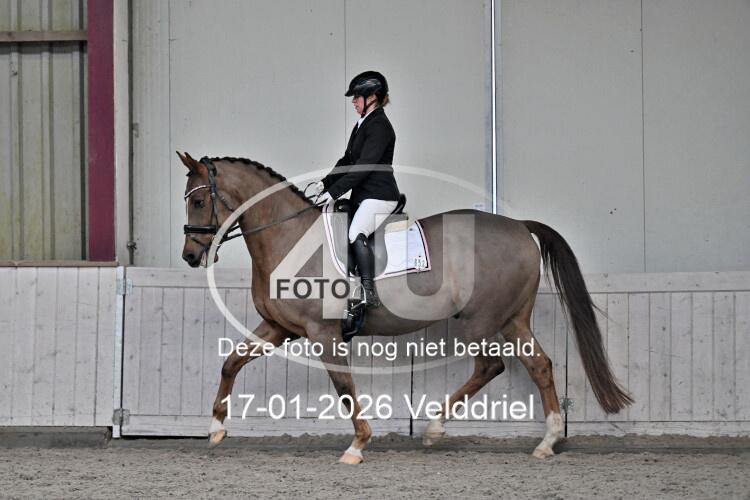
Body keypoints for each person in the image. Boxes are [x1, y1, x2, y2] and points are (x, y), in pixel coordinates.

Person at [312, 71, 401, 308]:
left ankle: (368, 291)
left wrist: (334, 192)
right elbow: (347, 160)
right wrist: (326, 183)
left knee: (355, 232)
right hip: (364, 196)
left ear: (372, 97)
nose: (353, 101)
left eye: (356, 97)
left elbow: (363, 167)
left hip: (380, 196)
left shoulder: (380, 126)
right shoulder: (362, 123)